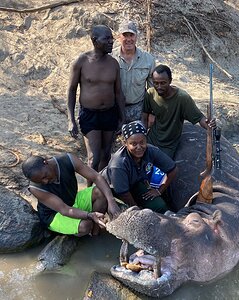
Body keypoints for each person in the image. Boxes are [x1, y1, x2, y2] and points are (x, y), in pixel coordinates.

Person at [67, 25, 124, 186]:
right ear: (94, 40)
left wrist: (122, 117)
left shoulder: (113, 64)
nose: (111, 41)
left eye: (111, 38)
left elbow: (118, 92)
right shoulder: (81, 61)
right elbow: (71, 91)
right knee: (94, 158)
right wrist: (70, 119)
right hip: (89, 114)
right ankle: (88, 190)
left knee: (106, 155)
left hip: (109, 113)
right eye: (107, 39)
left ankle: (102, 190)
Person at [22, 153, 121, 236]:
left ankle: (95, 233)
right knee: (85, 225)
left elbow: (96, 177)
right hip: (55, 214)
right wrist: (90, 215)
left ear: (46, 162)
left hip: (72, 201)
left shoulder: (68, 159)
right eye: (40, 181)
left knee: (100, 192)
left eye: (45, 176)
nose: (45, 181)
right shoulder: (35, 189)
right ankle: (89, 227)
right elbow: (65, 209)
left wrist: (111, 202)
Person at [101, 121, 177, 213]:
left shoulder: (151, 151)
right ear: (125, 143)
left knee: (160, 206)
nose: (139, 147)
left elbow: (173, 169)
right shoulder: (118, 164)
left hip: (134, 184)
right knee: (126, 215)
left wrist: (159, 191)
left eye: (142, 142)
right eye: (133, 144)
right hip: (111, 190)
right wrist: (138, 209)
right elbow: (123, 193)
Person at [142, 64, 216, 159]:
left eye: (163, 83)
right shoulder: (150, 93)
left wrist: (209, 124)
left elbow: (199, 118)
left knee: (163, 168)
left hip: (168, 145)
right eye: (156, 83)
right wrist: (143, 134)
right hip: (152, 138)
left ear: (170, 81)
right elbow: (144, 116)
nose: (159, 87)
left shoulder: (182, 98)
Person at [111, 20, 155, 123]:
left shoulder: (148, 59)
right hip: (115, 109)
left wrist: (152, 112)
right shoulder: (110, 58)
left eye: (131, 35)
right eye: (125, 35)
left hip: (139, 109)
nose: (128, 39)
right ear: (119, 37)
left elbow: (152, 90)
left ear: (136, 37)